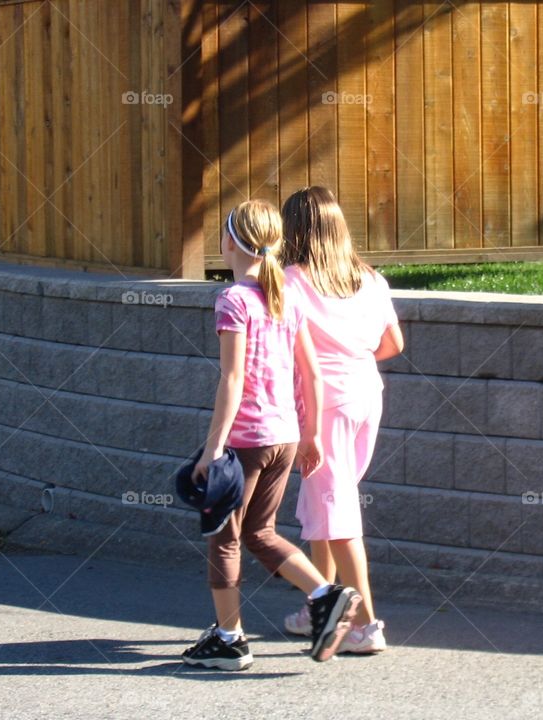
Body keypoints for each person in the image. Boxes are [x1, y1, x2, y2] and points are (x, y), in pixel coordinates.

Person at [181, 199, 362, 671]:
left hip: (246, 440)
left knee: (225, 534)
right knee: (260, 532)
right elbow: (312, 374)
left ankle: (229, 638)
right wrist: (311, 435)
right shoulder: (288, 297)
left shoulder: (234, 299)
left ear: (228, 243)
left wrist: (214, 449)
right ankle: (326, 592)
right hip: (283, 437)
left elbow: (232, 380)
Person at [279, 186, 404, 654]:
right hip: (365, 396)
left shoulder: (291, 281)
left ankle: (365, 626)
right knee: (324, 508)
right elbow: (393, 344)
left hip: (321, 407)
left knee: (339, 514)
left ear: (293, 231)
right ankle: (319, 610)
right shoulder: (369, 278)